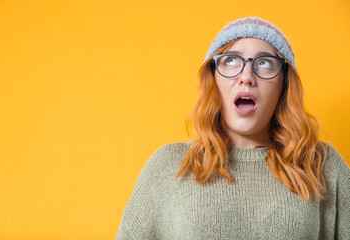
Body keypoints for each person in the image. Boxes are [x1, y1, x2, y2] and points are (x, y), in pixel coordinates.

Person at [116, 17, 350, 240]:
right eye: (230, 61)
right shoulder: (168, 166)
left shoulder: (323, 165)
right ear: (214, 80)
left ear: (284, 84)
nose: (246, 76)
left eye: (265, 63)